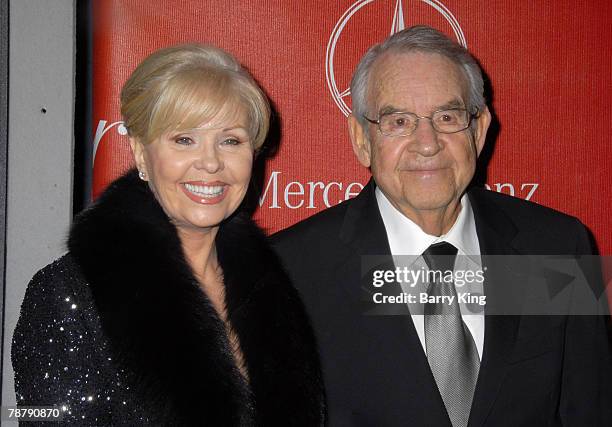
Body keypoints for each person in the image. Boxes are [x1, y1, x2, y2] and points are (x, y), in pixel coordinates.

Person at [272, 26, 612, 426]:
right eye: (398, 121)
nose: (428, 143)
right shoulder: (291, 271)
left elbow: (591, 411)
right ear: (362, 139)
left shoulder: (557, 246)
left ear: (479, 129)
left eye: (447, 117)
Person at [12, 44, 325, 425]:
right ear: (141, 153)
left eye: (231, 140)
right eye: (184, 139)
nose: (211, 162)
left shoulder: (275, 284)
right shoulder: (67, 295)